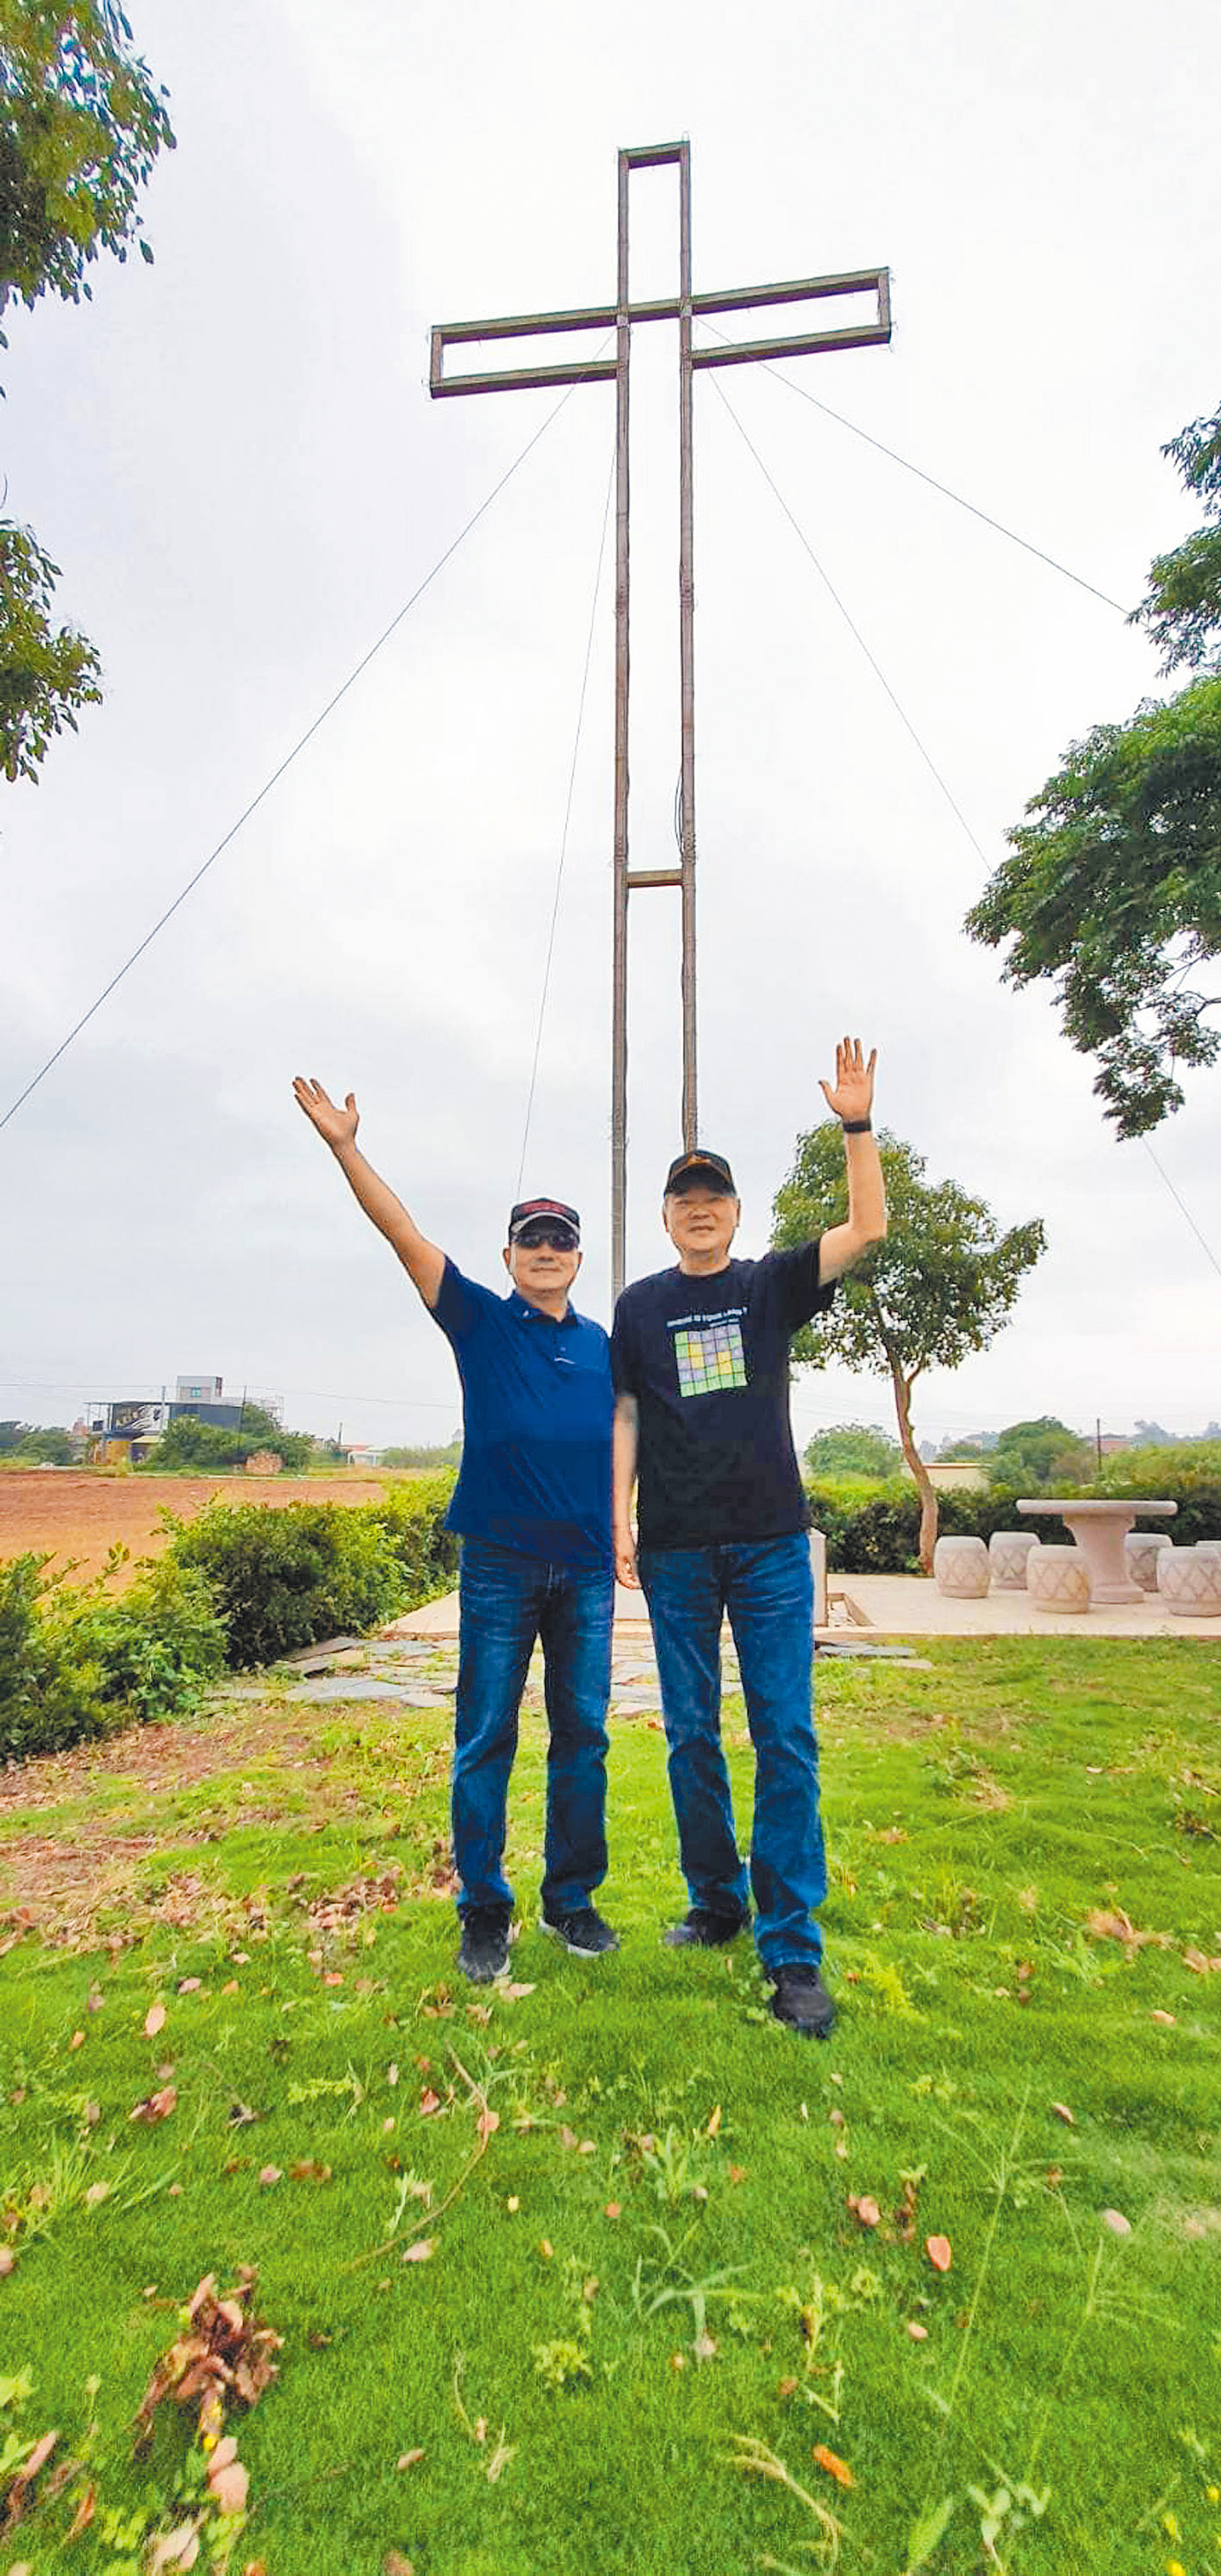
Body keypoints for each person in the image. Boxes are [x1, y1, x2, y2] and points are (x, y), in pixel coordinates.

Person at [293, 1077, 618, 1985]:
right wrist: (345, 1147)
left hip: (587, 1569)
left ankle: (571, 1900)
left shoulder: (602, 1341)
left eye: (560, 1239)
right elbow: (402, 1233)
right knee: (484, 1734)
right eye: (531, 1238)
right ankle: (483, 1907)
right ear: (508, 1253)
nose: (545, 1250)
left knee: (583, 1735)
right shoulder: (478, 1317)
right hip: (500, 1564)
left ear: (578, 1256)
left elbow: (635, 1434)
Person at [610, 1037, 887, 2038]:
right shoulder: (638, 1307)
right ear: (667, 1215)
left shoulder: (770, 1285)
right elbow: (628, 1417)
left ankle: (793, 1950)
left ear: (734, 1212)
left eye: (714, 1196)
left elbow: (867, 1225)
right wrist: (618, 1520)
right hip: (676, 1549)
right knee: (690, 1736)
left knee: (785, 1739)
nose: (699, 1208)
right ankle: (715, 1901)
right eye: (684, 1197)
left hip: (770, 1544)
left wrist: (855, 1123)